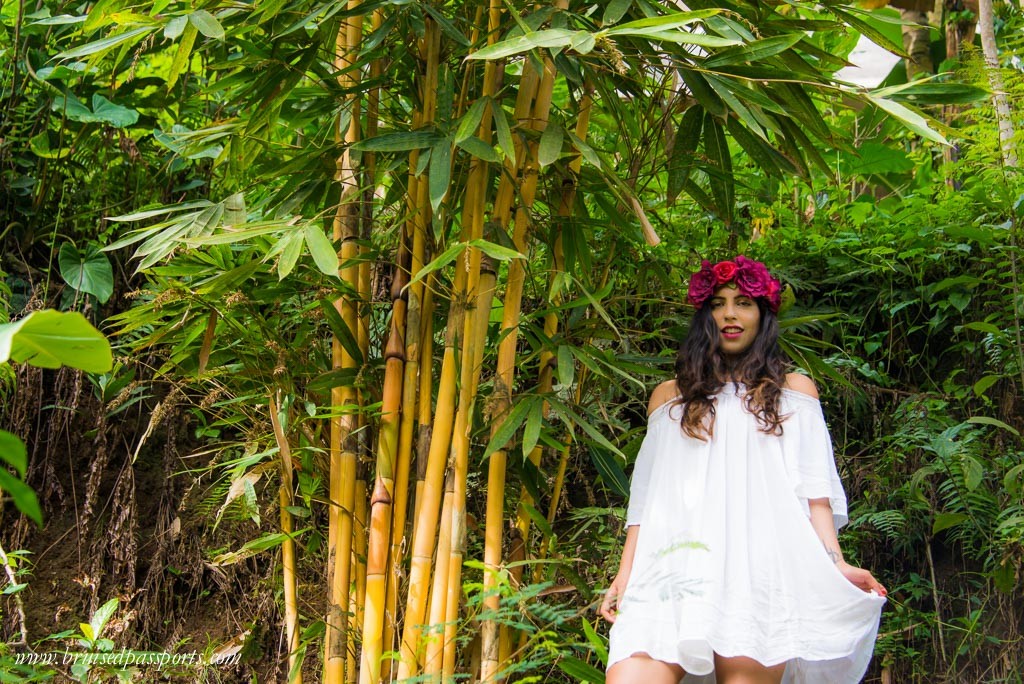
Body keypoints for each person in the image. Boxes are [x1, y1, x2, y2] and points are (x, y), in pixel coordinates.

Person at [600, 256, 887, 684]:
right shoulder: (668, 398)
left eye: (744, 303)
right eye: (718, 303)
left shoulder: (796, 391)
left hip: (759, 572)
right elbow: (648, 498)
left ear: (763, 316)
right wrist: (624, 576)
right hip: (671, 568)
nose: (730, 314)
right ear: (704, 316)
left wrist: (836, 563)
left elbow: (815, 492)